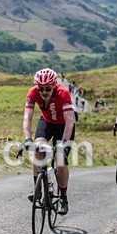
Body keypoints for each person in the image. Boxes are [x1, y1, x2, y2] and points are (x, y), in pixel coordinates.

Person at [22, 68, 76, 215]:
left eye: (47, 89)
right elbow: (27, 117)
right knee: (38, 151)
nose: (44, 92)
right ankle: (38, 189)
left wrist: (64, 144)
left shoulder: (63, 93)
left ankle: (63, 198)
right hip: (46, 122)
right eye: (41, 89)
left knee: (60, 161)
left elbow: (70, 120)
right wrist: (28, 139)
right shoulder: (33, 93)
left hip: (64, 125)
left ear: (54, 86)